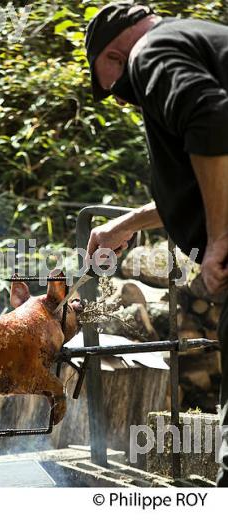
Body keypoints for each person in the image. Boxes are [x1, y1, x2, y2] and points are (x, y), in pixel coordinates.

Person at [84, 1, 228, 486]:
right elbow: (200, 176)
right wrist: (123, 224)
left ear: (113, 55)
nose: (117, 97)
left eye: (107, 83)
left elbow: (211, 120)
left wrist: (220, 236)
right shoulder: (196, 39)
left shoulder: (151, 49)